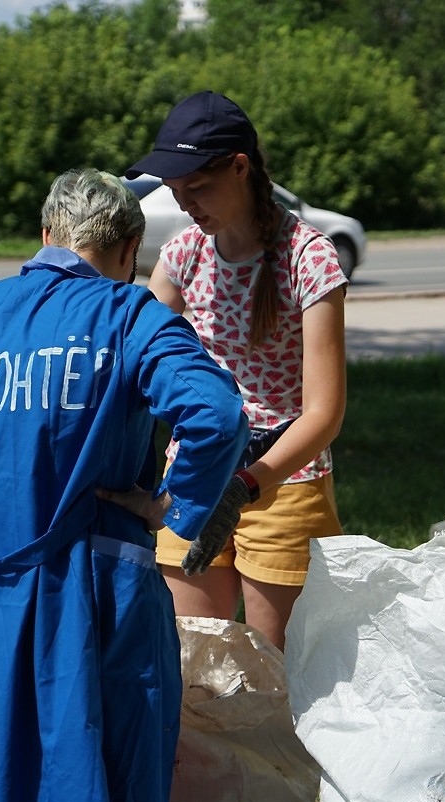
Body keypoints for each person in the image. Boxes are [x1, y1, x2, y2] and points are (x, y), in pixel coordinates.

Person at [0, 167, 247, 802]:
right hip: (85, 595)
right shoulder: (128, 315)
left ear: (46, 233)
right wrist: (174, 507)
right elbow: (217, 413)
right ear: (130, 248)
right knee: (96, 780)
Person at [125, 91, 348, 651]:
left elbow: (324, 413)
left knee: (277, 682)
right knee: (197, 672)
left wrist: (246, 487)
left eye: (198, 188)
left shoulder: (309, 258)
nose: (187, 205)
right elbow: (133, 359)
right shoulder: (181, 256)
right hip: (194, 477)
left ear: (240, 167)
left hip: (283, 484)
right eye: (178, 194)